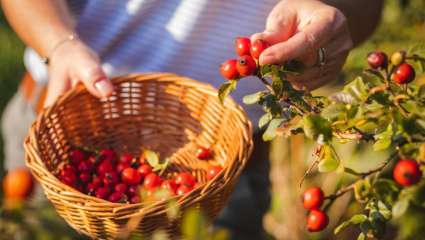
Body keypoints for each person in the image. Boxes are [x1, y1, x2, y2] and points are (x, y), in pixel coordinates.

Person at [1, 0, 383, 239]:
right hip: (59, 133)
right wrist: (59, 44)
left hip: (222, 179)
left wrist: (330, 15)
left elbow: (366, 9)